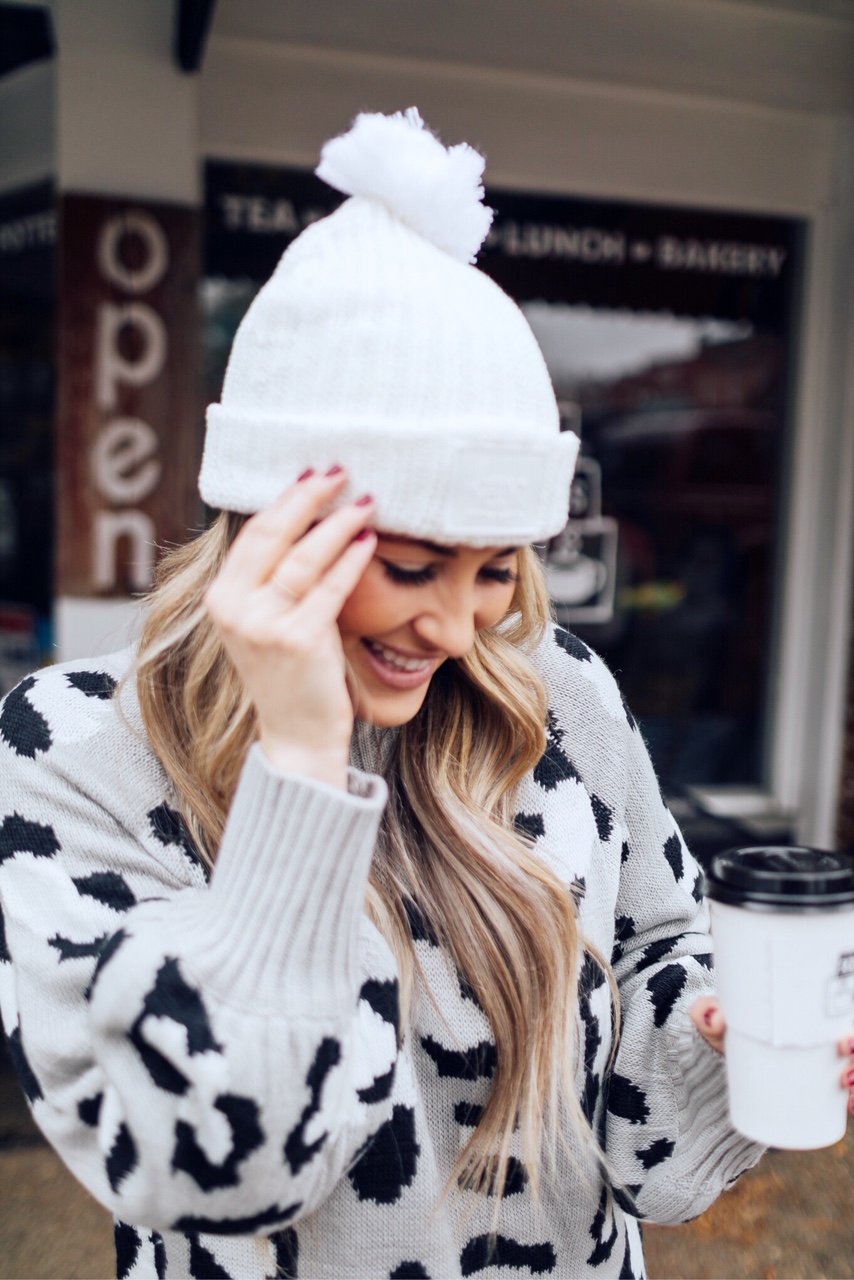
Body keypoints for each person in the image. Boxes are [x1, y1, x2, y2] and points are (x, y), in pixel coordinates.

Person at [0, 108, 852, 1280]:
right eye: (408, 567)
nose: (456, 628)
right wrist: (298, 769)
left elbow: (657, 973)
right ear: (269, 520)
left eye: (495, 568)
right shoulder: (81, 747)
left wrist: (722, 1041)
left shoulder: (559, 700)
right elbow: (207, 1172)